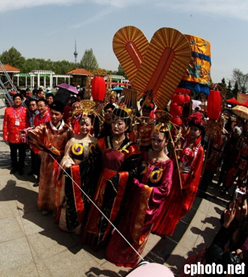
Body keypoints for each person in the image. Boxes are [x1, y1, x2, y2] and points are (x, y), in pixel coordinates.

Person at [106, 119, 173, 267]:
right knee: (125, 226)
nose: (155, 143)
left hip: (148, 205)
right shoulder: (145, 155)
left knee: (137, 233)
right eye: (154, 139)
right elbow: (135, 172)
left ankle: (129, 257)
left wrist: (142, 188)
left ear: (166, 141)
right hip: (133, 199)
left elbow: (165, 189)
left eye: (159, 140)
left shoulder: (168, 164)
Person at [81, 105, 141, 249]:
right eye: (114, 122)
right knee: (96, 208)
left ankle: (104, 240)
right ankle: (91, 236)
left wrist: (119, 177)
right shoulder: (104, 141)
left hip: (118, 186)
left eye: (120, 123)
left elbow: (134, 171)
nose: (116, 126)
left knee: (110, 211)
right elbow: (93, 161)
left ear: (127, 127)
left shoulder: (131, 147)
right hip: (101, 181)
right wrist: (78, 168)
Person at [152, 112, 205, 236]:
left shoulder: (200, 150)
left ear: (200, 132)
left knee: (175, 205)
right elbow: (173, 157)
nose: (192, 132)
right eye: (191, 128)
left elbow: (196, 170)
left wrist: (190, 187)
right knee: (165, 200)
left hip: (184, 180)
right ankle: (156, 224)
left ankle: (165, 229)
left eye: (195, 129)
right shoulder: (181, 141)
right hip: (174, 175)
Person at [28, 101, 73, 215]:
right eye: (52, 113)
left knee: (58, 184)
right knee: (46, 183)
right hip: (47, 160)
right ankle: (45, 205)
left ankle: (56, 207)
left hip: (60, 161)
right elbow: (34, 134)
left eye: (57, 114)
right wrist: (27, 132)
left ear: (62, 115)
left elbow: (71, 145)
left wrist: (62, 153)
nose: (54, 116)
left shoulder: (68, 129)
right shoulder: (44, 127)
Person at [59, 106, 97, 234]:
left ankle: (80, 228)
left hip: (89, 177)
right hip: (74, 175)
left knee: (85, 202)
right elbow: (66, 157)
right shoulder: (72, 140)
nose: (84, 127)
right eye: (82, 124)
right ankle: (66, 224)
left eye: (87, 125)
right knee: (70, 201)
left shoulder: (95, 142)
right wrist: (70, 165)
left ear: (91, 126)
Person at [3, 94, 29, 175]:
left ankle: (21, 167)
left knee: (22, 153)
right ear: (13, 101)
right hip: (12, 135)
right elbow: (5, 123)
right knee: (13, 153)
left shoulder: (25, 110)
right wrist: (5, 135)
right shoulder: (8, 110)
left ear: (21, 100)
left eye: (19, 99)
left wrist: (27, 134)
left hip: (22, 136)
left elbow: (28, 123)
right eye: (15, 99)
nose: (17, 101)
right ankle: (14, 167)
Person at [31, 98, 51, 186]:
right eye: (38, 106)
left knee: (46, 164)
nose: (39, 108)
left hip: (47, 144)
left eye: (41, 106)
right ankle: (39, 179)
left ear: (46, 106)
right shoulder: (36, 117)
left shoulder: (50, 117)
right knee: (38, 163)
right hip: (38, 143)